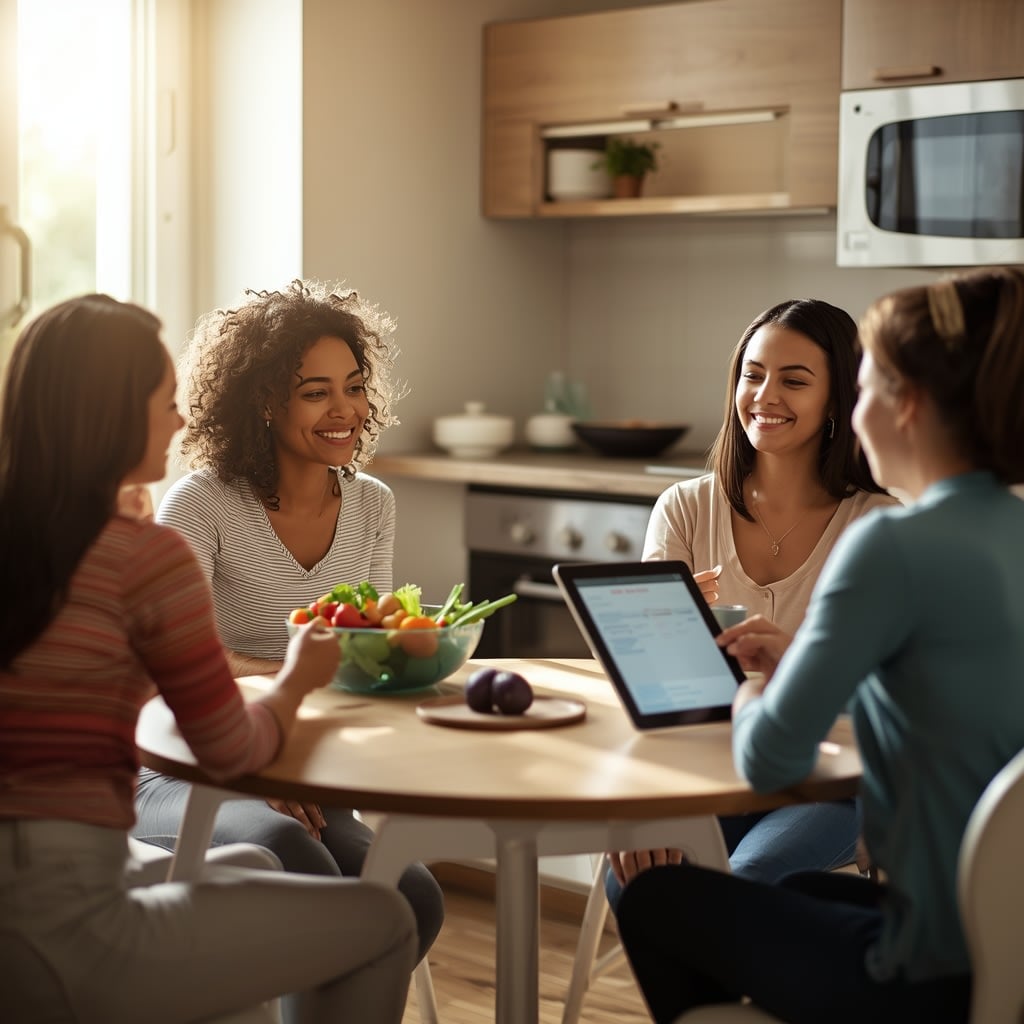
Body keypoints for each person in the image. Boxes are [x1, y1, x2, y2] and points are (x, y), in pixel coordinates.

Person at [616, 266, 1024, 1023]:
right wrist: (801, 662)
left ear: (912, 407)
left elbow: (769, 757)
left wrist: (752, 687)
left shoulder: (891, 540)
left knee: (656, 898)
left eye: (867, 386)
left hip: (923, 971)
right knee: (803, 892)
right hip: (1004, 940)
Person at [0, 294, 417, 1023]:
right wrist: (293, 679)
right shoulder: (146, 552)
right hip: (75, 923)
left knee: (261, 866)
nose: (181, 419)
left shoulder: (37, 541)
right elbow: (228, 747)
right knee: (384, 921)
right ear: (111, 416)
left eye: (352, 386)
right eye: (164, 401)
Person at [131, 279, 445, 968]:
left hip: (302, 766)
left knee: (414, 894)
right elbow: (164, 663)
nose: (345, 411)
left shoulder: (374, 506)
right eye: (316, 392)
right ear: (266, 403)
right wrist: (288, 682)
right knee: (295, 859)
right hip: (183, 762)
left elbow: (365, 652)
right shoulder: (201, 503)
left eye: (355, 387)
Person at [606, 298, 894, 903]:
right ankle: (694, 1004)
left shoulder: (879, 523)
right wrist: (645, 804)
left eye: (794, 380)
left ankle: (743, 997)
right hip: (712, 770)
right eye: (753, 374)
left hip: (838, 780)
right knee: (637, 876)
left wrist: (797, 666)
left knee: (748, 881)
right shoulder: (685, 508)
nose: (765, 395)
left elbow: (896, 694)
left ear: (839, 397)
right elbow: (654, 688)